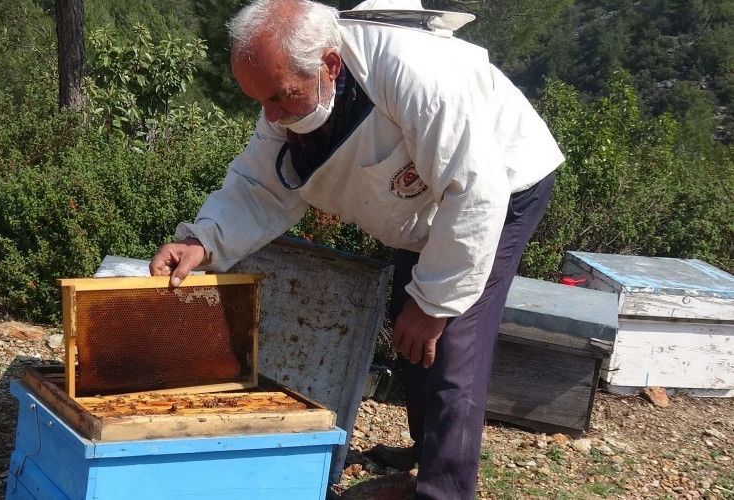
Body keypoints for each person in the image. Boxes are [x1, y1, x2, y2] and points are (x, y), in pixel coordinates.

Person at [149, 0, 564, 498]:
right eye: (259, 101)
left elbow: (475, 190)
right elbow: (259, 184)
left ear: (328, 65)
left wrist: (435, 305)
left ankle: (445, 490)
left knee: (452, 341)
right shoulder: (293, 91)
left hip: (503, 183)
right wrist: (201, 242)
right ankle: (425, 451)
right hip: (433, 201)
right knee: (405, 317)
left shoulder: (418, 75)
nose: (270, 116)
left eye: (280, 97)